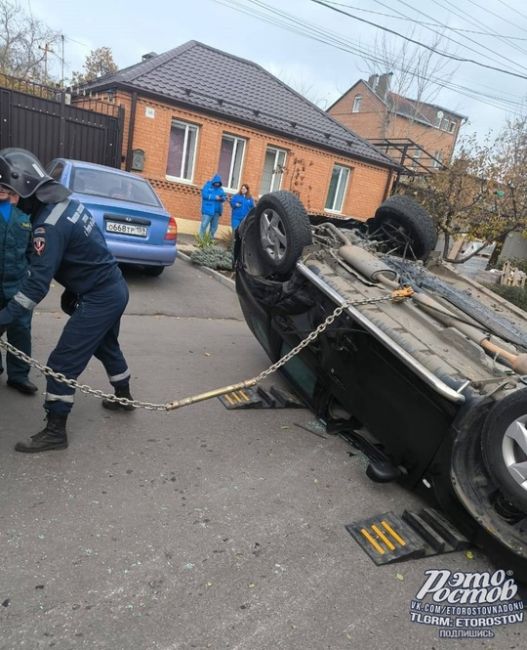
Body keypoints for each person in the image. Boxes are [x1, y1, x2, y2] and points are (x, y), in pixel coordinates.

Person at [0, 148, 134, 454]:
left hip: (100, 297)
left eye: (8, 191)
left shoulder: (47, 226)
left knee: (62, 363)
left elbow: (36, 285)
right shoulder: (65, 204)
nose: (8, 199)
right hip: (113, 287)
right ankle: (123, 396)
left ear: (24, 188)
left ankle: (55, 432)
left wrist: (5, 318)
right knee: (105, 344)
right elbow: (86, 250)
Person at [0, 185, 37, 394]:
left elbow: (32, 253)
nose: (3, 191)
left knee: (21, 329)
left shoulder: (25, 218)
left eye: (7, 188)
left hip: (17, 285)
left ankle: (19, 375)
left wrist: (29, 279)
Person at [199, 174, 226, 239]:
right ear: (214, 181)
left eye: (218, 183)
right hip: (208, 210)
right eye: (216, 182)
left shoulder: (221, 189)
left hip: (216, 211)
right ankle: (201, 241)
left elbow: (224, 197)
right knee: (204, 225)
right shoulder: (207, 186)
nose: (217, 184)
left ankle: (209, 241)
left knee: (214, 227)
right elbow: (204, 195)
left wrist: (222, 198)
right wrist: (215, 197)